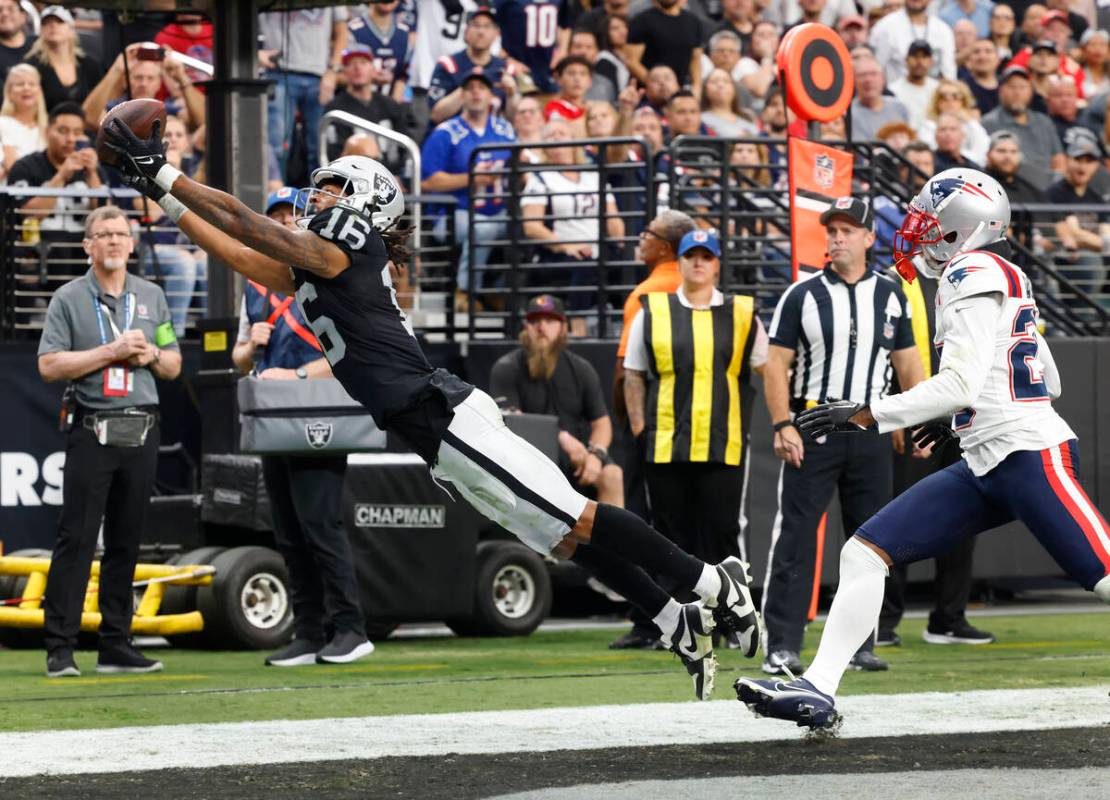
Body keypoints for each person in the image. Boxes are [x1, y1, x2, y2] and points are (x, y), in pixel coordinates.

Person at [105, 116, 763, 704]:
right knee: (561, 537)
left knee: (578, 514)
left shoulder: (348, 243)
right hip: (430, 433)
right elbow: (239, 249)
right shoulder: (319, 264)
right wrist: (156, 191)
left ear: (363, 203)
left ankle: (713, 584)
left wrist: (165, 169)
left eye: (332, 188)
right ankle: (673, 618)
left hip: (444, 415)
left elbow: (251, 225)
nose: (319, 197)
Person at [736, 167, 1110, 730]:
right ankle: (819, 687)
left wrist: (866, 413)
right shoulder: (998, 270)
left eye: (927, 220)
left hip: (1030, 454)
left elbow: (962, 385)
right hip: (988, 457)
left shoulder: (969, 270)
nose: (915, 230)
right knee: (864, 552)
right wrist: (964, 422)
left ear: (961, 226)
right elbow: (1046, 380)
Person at [759, 196, 924, 677]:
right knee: (796, 535)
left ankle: (859, 643)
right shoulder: (802, 293)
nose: (836, 237)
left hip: (871, 425)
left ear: (870, 238)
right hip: (813, 425)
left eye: (848, 230)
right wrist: (781, 422)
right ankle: (783, 643)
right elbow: (776, 364)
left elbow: (908, 364)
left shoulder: (891, 295)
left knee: (870, 541)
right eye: (832, 230)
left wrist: (910, 421)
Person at [230, 187, 374, 667]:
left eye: (292, 215)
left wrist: (292, 374)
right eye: (275, 218)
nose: (284, 224)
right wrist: (252, 346)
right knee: (288, 530)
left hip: (318, 411)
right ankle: (310, 630)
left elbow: (351, 352)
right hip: (275, 415)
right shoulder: (256, 283)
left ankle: (350, 628)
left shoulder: (327, 274)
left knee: (320, 525)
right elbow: (238, 360)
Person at [36, 205, 183, 678]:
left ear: (132, 243)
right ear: (88, 246)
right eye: (103, 235)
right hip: (91, 425)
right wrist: (110, 352)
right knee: (77, 538)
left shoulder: (152, 296)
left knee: (127, 540)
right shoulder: (68, 298)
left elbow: (174, 364)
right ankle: (60, 647)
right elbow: (49, 365)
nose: (114, 242)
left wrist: (152, 354)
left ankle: (116, 644)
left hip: (141, 426)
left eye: (121, 234)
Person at [623, 230, 768, 652]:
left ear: (717, 263)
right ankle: (679, 626)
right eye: (691, 256)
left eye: (706, 256)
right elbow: (633, 374)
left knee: (722, 535)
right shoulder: (653, 311)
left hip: (723, 442)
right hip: (666, 442)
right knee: (671, 538)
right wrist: (638, 427)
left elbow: (768, 367)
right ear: (680, 262)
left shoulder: (742, 314)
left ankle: (730, 621)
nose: (698, 263)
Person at [608, 209, 696, 649]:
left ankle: (651, 620)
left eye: (648, 234)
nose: (639, 240)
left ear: (665, 245)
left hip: (651, 422)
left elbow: (628, 367)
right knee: (684, 522)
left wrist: (631, 422)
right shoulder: (695, 288)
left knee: (640, 521)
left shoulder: (647, 292)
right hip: (693, 421)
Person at [490, 294, 624, 507]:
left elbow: (601, 423)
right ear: (527, 328)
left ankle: (612, 541)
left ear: (563, 328)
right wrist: (560, 437)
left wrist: (596, 455)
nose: (542, 327)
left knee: (612, 475)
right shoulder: (506, 368)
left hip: (574, 459)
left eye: (549, 320)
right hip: (528, 457)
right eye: (535, 321)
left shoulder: (581, 369)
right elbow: (513, 422)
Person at [420, 67, 515, 307]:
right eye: (469, 88)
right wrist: (472, 178)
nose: (475, 93)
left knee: (524, 230)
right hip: (454, 214)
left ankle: (499, 290)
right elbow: (427, 181)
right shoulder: (445, 133)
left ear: (490, 95)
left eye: (481, 88)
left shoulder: (505, 130)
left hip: (499, 209)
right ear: (461, 95)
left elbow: (517, 168)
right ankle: (466, 292)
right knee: (482, 230)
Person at [520, 117, 623, 305]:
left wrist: (623, 245)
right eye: (551, 135)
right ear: (544, 146)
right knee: (583, 267)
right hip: (558, 254)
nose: (557, 138)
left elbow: (613, 218)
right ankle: (578, 328)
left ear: (574, 140)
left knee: (630, 266)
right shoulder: (540, 178)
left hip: (599, 249)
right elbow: (531, 226)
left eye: (562, 133)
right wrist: (567, 246)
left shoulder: (593, 175)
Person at [8, 102, 107, 279]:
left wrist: (92, 175)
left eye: (77, 133)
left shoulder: (94, 170)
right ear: (47, 132)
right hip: (41, 245)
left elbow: (106, 216)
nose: (70, 139)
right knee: (60, 248)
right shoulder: (25, 167)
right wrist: (61, 177)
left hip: (83, 245)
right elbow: (27, 214)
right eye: (63, 131)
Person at [258, 7, 349, 178]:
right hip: (279, 72)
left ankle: (319, 200)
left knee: (319, 148)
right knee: (277, 146)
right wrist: (256, 53)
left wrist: (333, 71)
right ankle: (275, 200)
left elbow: (342, 31)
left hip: (318, 76)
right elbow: (241, 15)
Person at [1048, 127, 1110, 316]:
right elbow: (1071, 233)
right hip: (1066, 258)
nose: (1083, 166)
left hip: (1094, 254)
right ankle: (1082, 321)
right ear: (1067, 161)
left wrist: (1099, 242)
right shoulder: (1057, 192)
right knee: (1091, 263)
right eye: (1078, 160)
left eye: (1089, 161)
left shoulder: (1095, 197)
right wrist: (1103, 243)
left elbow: (1105, 230)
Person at [81, 42, 206, 134]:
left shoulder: (169, 110)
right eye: (138, 78)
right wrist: (116, 70)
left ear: (158, 83)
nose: (144, 83)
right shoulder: (113, 110)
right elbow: (88, 119)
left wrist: (182, 78)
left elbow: (202, 123)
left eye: (150, 78)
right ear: (126, 81)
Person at [321, 44, 409, 164]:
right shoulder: (335, 109)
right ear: (344, 72)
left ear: (373, 70)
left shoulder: (389, 105)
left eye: (363, 63)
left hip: (389, 175)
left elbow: (404, 148)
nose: (357, 68)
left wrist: (398, 175)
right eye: (350, 64)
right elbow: (333, 153)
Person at [428, 7, 510, 126]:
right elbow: (436, 115)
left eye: (487, 26)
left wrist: (512, 94)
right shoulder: (448, 65)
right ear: (466, 32)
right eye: (476, 25)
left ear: (496, 33)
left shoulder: (505, 69)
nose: (481, 32)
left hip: (491, 139)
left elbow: (514, 119)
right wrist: (470, 84)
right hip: (452, 137)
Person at [982, 65, 1065, 179]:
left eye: (1022, 87)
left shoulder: (1044, 121)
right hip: (1010, 184)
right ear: (1001, 91)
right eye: (1012, 87)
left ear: (1031, 91)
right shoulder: (988, 123)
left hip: (1046, 186)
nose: (1017, 92)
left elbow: (1058, 159)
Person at [22, 5, 104, 113]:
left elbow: (102, 100)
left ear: (71, 29)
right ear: (41, 31)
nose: (53, 25)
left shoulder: (90, 64)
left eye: (60, 21)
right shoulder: (32, 66)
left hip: (87, 126)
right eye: (46, 23)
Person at [984, 130, 1044, 254]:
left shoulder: (1030, 190)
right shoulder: (980, 183)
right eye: (1001, 151)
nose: (1008, 156)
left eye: (1013, 152)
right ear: (988, 154)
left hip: (1030, 255)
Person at [869, 0, 957, 82]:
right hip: (896, 95)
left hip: (933, 95)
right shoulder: (885, 27)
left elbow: (949, 72)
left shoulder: (943, 30)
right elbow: (876, 69)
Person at [626, 0, 703, 90]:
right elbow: (632, 61)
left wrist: (697, 87)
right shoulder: (641, 21)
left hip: (679, 92)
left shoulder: (693, 21)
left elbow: (696, 59)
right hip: (647, 93)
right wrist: (655, 84)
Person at [347, 0, 412, 102]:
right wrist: (370, 77)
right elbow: (341, 74)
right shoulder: (353, 30)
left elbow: (402, 76)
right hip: (356, 106)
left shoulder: (404, 33)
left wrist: (393, 109)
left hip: (390, 108)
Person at [0, 63, 46, 174]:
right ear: (9, 92)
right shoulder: (2, 124)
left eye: (32, 84)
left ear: (39, 91)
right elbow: (11, 166)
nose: (26, 88)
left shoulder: (48, 128)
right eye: (20, 84)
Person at [851, 57, 911, 143]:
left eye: (873, 74)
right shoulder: (848, 114)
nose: (868, 80)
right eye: (862, 75)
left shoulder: (900, 108)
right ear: (854, 80)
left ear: (883, 78)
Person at [889, 40, 940, 133]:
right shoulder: (893, 90)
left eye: (924, 57)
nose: (919, 62)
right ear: (906, 60)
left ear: (931, 61)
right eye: (915, 56)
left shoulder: (938, 89)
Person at [543, 56, 593, 137]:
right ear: (558, 79)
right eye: (571, 73)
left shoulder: (593, 107)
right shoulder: (553, 107)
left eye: (583, 74)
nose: (577, 79)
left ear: (590, 81)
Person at [701, 67, 756, 138]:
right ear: (705, 90)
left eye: (726, 81)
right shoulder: (700, 119)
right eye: (714, 81)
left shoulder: (748, 117)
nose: (721, 85)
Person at [569, 29, 615, 104]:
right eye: (578, 46)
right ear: (568, 50)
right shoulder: (555, 82)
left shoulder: (606, 84)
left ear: (597, 52)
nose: (583, 52)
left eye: (589, 47)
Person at [958, 38, 1001, 115]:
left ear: (998, 59)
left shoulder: (1007, 85)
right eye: (976, 52)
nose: (982, 57)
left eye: (988, 51)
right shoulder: (961, 88)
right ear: (968, 61)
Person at [0, 0, 33, 84]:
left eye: (11, 9)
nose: (5, 14)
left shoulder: (39, 45)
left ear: (23, 16)